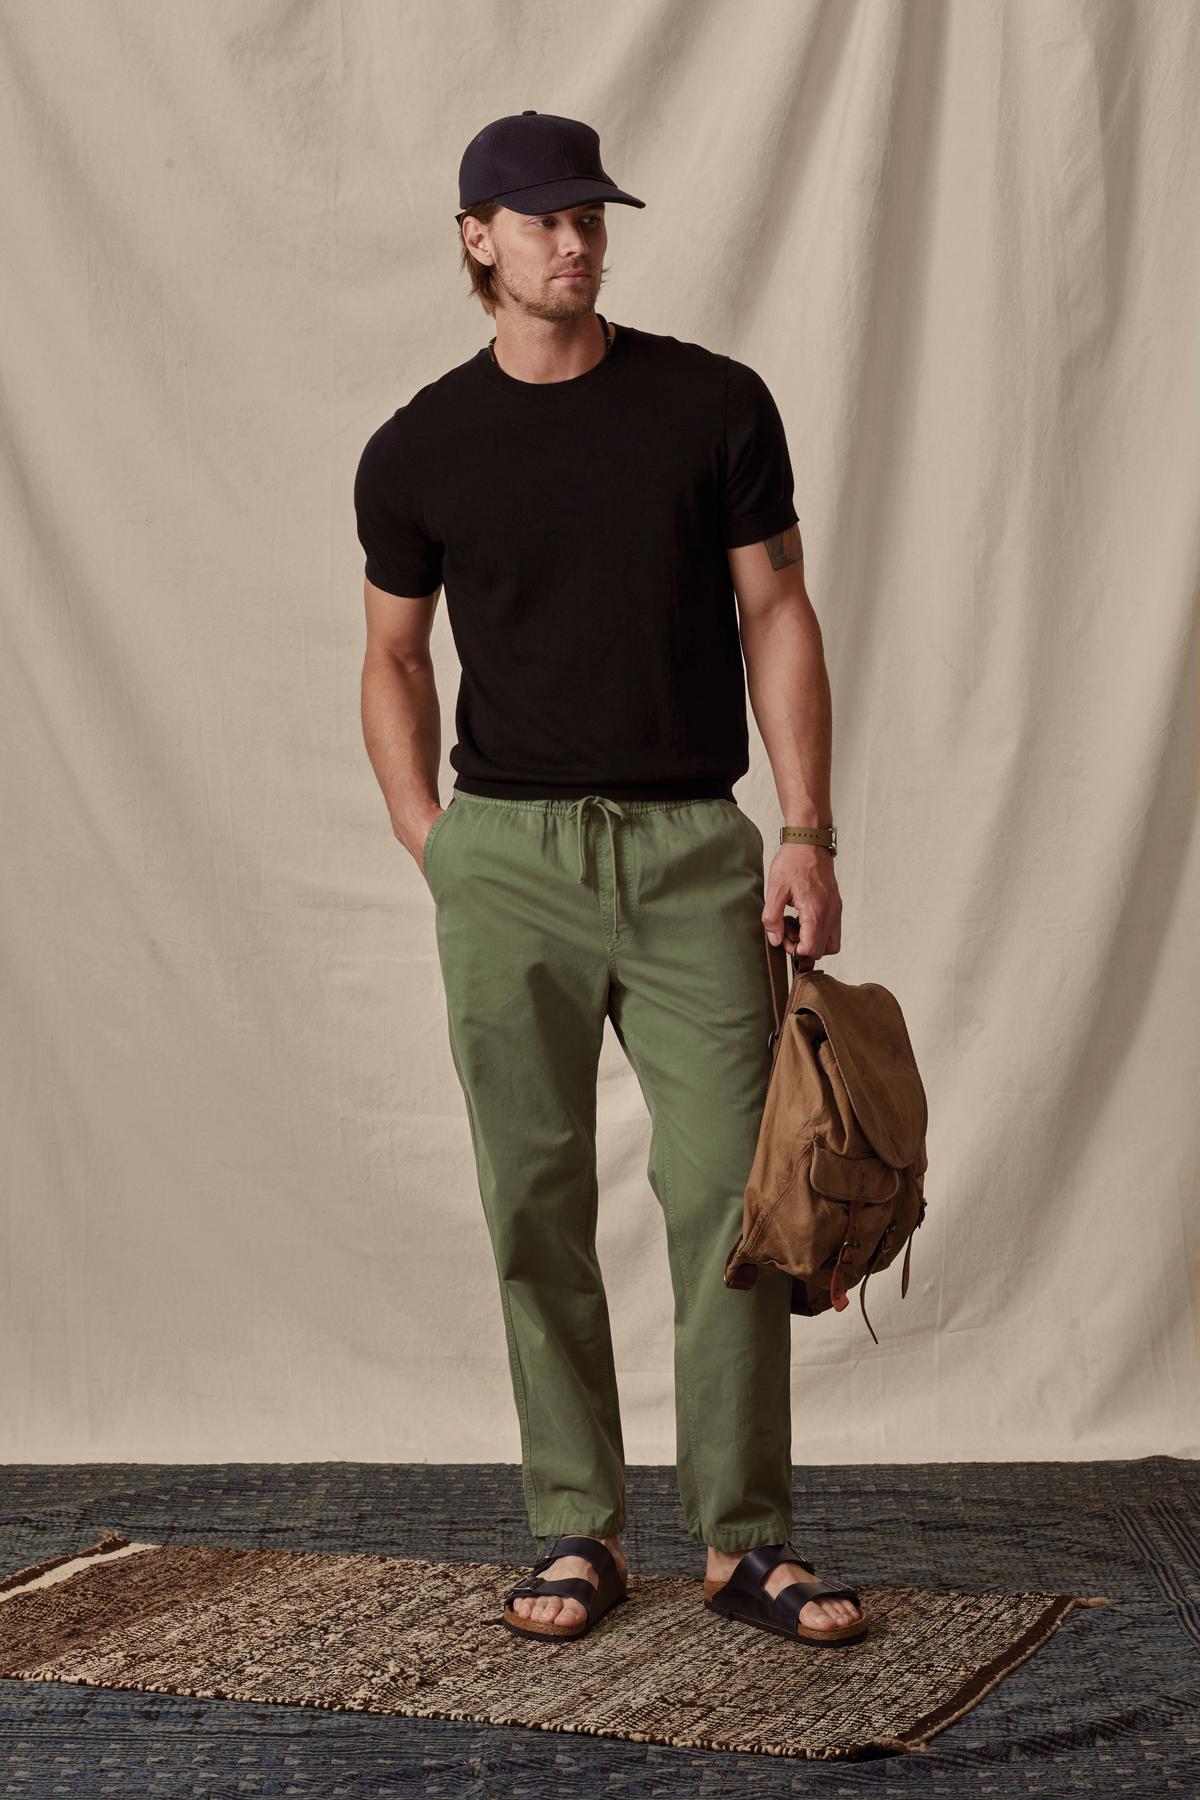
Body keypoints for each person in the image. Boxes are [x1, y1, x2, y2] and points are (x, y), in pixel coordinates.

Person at [354, 111, 866, 1648]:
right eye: (543, 219)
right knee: (534, 1194)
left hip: (692, 848)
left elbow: (776, 607)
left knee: (729, 1191)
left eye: (592, 216)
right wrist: (424, 832)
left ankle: (746, 1545)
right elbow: (388, 653)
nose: (576, 242)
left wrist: (807, 829)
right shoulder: (419, 444)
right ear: (477, 239)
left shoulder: (711, 404)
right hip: (504, 855)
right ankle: (574, 1526)